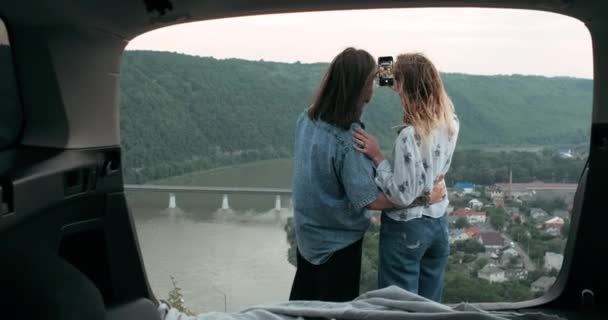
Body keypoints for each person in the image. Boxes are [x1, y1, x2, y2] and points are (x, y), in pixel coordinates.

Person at [289, 48, 445, 302]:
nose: (377, 84)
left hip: (308, 235)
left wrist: (392, 69)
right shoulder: (348, 141)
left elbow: (366, 83)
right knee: (336, 309)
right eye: (372, 81)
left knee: (305, 303)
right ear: (361, 89)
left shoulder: (307, 118)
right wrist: (426, 198)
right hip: (338, 244)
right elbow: (371, 199)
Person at [353, 53, 459, 302]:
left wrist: (378, 157)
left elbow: (401, 195)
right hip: (438, 224)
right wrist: (390, 69)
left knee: (398, 306)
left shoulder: (409, 136)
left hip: (407, 229)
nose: (397, 95)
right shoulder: (451, 123)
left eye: (400, 90)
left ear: (407, 89)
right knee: (430, 305)